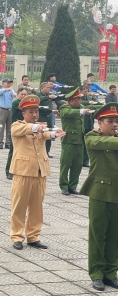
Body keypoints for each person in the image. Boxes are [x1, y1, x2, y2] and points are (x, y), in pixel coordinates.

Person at [9, 95, 65, 250]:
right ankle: (17, 236)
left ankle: (33, 236)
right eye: (31, 112)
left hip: (40, 171)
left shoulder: (40, 126)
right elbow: (21, 130)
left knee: (36, 206)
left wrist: (54, 133)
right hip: (23, 172)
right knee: (19, 205)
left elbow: (45, 134)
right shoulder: (17, 126)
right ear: (23, 113)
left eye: (36, 112)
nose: (34, 115)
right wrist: (36, 127)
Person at [79, 102, 118, 291]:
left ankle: (111, 272)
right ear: (99, 123)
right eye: (110, 121)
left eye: (116, 121)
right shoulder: (92, 137)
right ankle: (96, 273)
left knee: (114, 236)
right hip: (100, 193)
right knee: (98, 235)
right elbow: (106, 143)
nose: (114, 124)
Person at [59, 88, 100, 196]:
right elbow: (68, 113)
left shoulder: (81, 107)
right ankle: (64, 186)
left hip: (79, 141)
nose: (80, 101)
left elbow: (89, 107)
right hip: (68, 141)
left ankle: (72, 186)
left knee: (77, 165)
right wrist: (81, 111)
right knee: (65, 165)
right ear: (71, 100)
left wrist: (102, 107)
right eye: (78, 99)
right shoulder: (64, 108)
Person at [5, 88, 27, 180]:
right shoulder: (15, 103)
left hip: (24, 128)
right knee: (13, 151)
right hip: (15, 129)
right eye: (22, 94)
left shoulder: (26, 104)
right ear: (18, 94)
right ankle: (8, 171)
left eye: (25, 95)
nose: (23, 96)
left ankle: (18, 170)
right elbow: (22, 107)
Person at [37, 82, 58, 157]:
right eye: (47, 87)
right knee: (41, 135)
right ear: (42, 88)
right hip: (42, 117)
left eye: (50, 88)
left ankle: (47, 151)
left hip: (49, 117)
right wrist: (49, 97)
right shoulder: (39, 95)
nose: (49, 89)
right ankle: (40, 151)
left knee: (49, 135)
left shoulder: (48, 95)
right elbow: (40, 100)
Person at [0, 78, 16, 149]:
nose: (8, 84)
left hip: (10, 110)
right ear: (3, 83)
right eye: (7, 83)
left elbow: (15, 95)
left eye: (9, 83)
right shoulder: (0, 90)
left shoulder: (11, 90)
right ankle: (0, 142)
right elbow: (0, 93)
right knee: (1, 127)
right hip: (2, 110)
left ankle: (8, 142)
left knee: (9, 128)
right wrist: (6, 90)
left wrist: (13, 93)